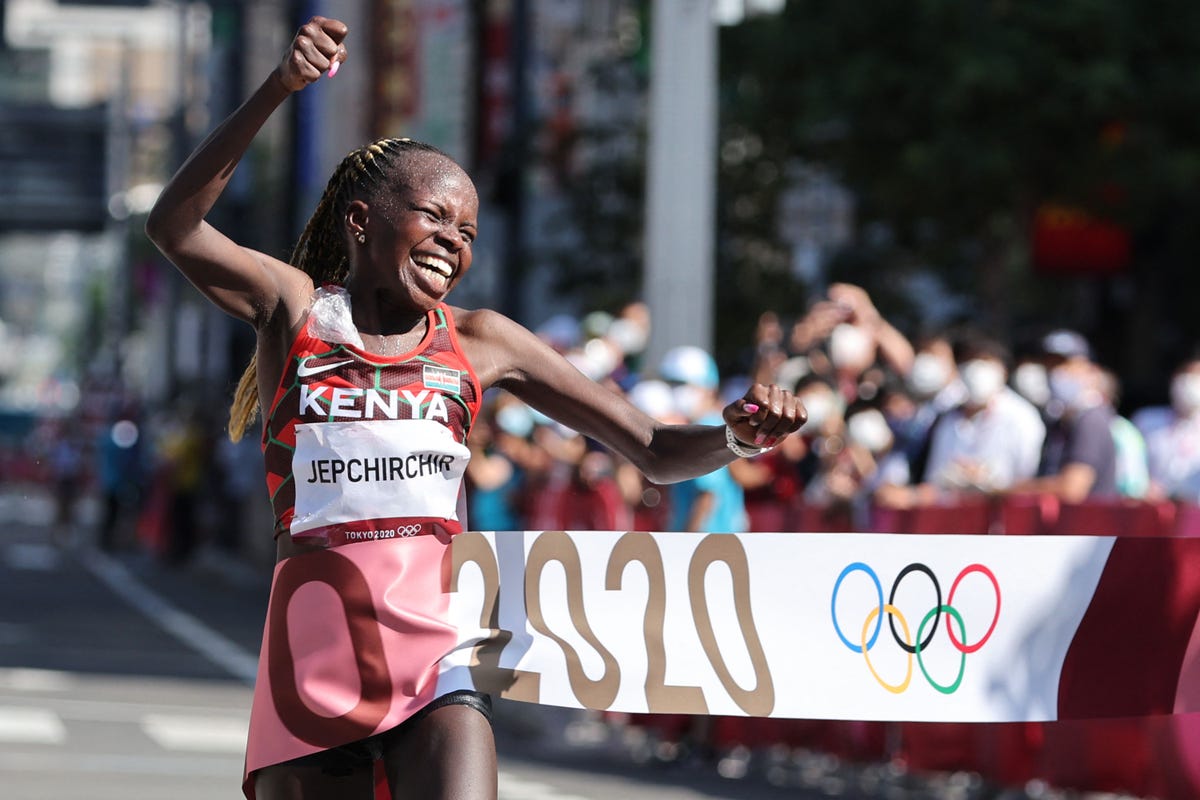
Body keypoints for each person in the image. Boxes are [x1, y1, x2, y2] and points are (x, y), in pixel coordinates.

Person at [143, 17, 804, 800]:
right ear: (361, 221)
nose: (453, 243)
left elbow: (656, 447)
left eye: (467, 233)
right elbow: (174, 224)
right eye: (435, 217)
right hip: (314, 647)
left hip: (438, 649)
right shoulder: (295, 312)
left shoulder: (486, 341)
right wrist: (277, 90)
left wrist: (736, 435)